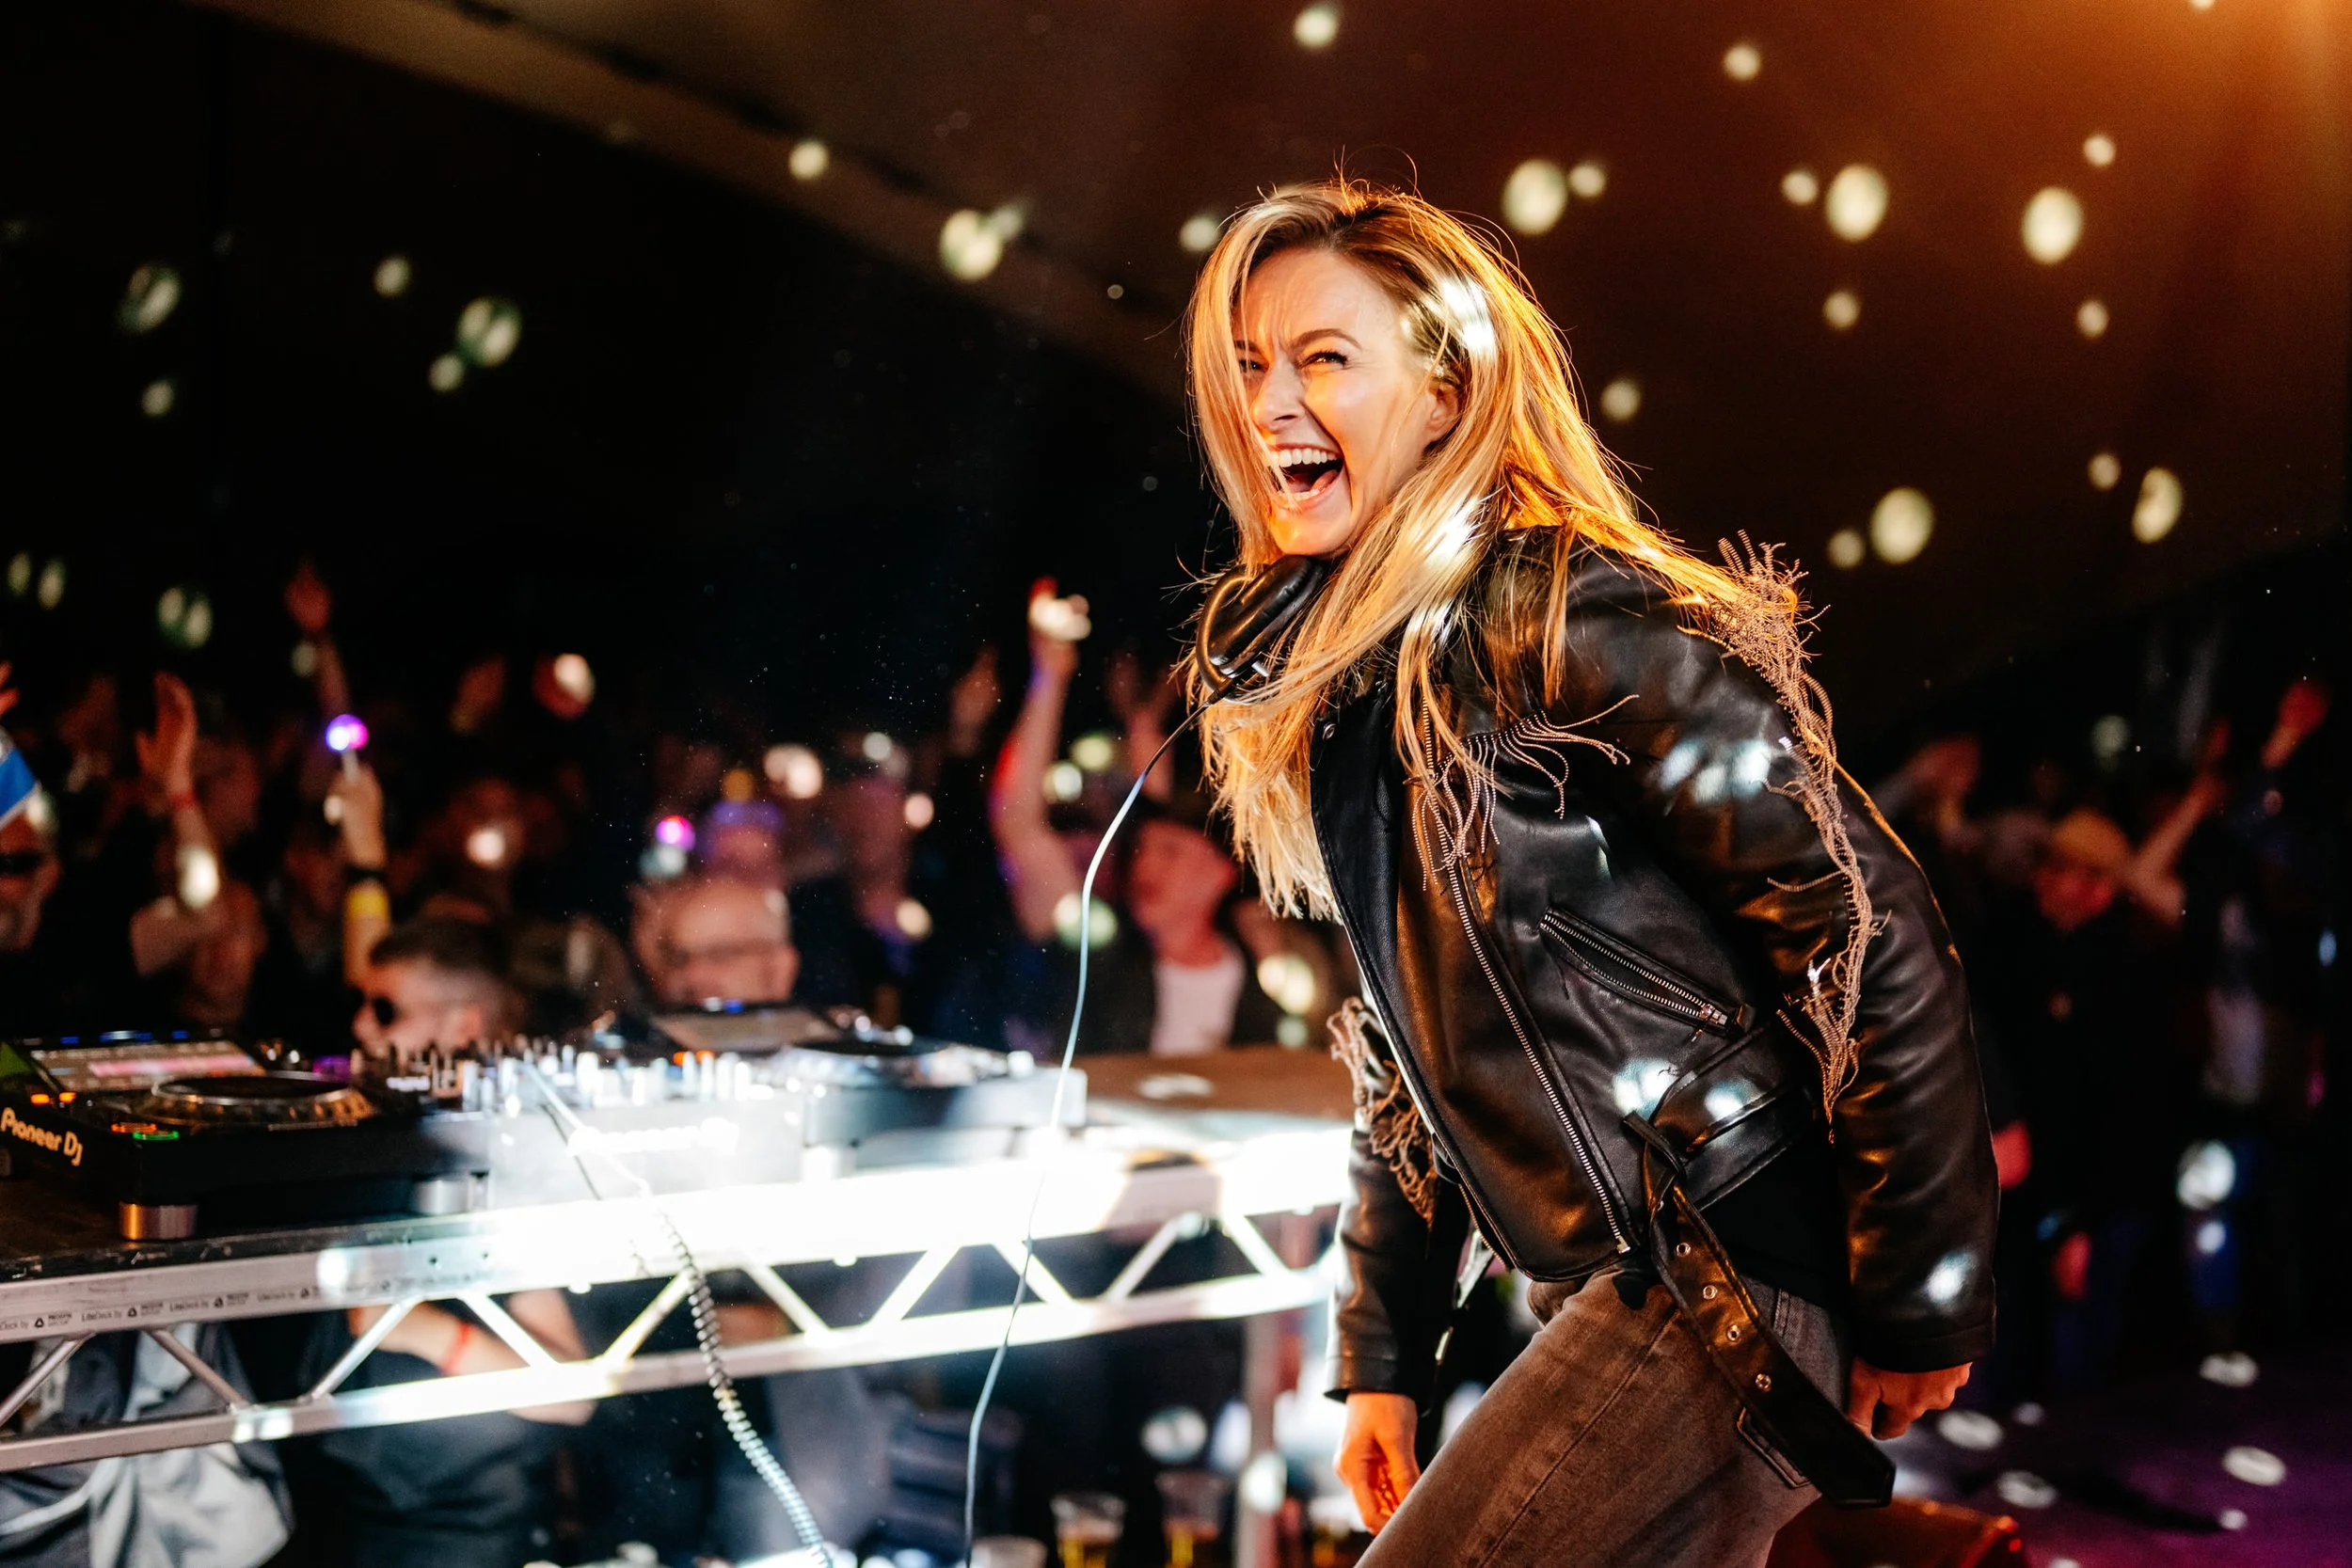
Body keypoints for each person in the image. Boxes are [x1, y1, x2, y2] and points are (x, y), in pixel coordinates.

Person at [1182, 182, 1996, 1564]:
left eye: (1324, 357)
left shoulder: (1562, 614)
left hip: (1722, 1277)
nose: (1271, 404)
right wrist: (1382, 1346)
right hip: (1626, 1286)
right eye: (1253, 364)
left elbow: (1864, 917)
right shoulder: (1371, 691)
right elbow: (1406, 1048)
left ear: (1445, 393)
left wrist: (1923, 1289)